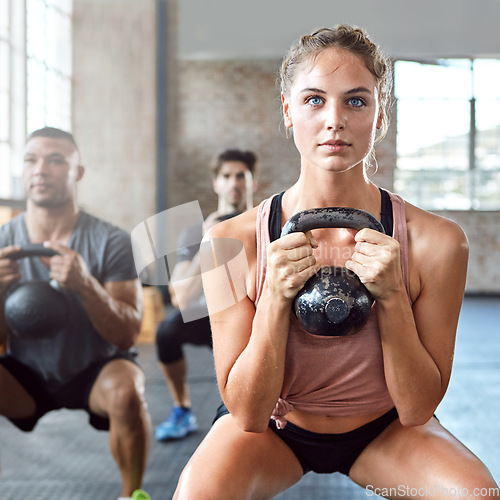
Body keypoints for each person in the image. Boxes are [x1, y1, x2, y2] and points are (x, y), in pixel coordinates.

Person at [173, 25, 499, 499]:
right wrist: (273, 299)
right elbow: (246, 413)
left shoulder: (440, 243)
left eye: (356, 100)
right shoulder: (227, 241)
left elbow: (416, 409)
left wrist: (391, 297)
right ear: (288, 111)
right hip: (273, 431)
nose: (334, 120)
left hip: (385, 431)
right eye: (313, 100)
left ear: (380, 115)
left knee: (479, 497)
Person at [0, 127, 151, 500]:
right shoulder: (3, 242)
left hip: (95, 370)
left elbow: (127, 334)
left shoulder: (111, 241)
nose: (41, 170)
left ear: (77, 171)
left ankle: (131, 496)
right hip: (25, 375)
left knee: (127, 392)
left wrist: (86, 285)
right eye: (31, 160)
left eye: (55, 160)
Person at [155, 148, 258, 441]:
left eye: (241, 176)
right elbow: (180, 299)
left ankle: (259, 406)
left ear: (253, 183)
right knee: (166, 333)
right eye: (226, 176)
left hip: (248, 314)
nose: (234, 183)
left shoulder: (263, 225)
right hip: (206, 314)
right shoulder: (195, 232)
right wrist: (209, 241)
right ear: (216, 183)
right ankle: (181, 409)